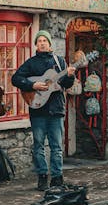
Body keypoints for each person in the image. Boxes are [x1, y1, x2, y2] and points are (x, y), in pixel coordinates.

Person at [11, 30, 75, 191]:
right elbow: (15, 78)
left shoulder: (59, 62)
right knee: (38, 145)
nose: (42, 43)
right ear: (36, 45)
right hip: (38, 109)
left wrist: (70, 76)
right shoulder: (31, 63)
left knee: (56, 147)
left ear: (49, 44)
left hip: (56, 110)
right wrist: (32, 85)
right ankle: (42, 176)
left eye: (44, 40)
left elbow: (66, 85)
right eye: (39, 41)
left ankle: (57, 178)